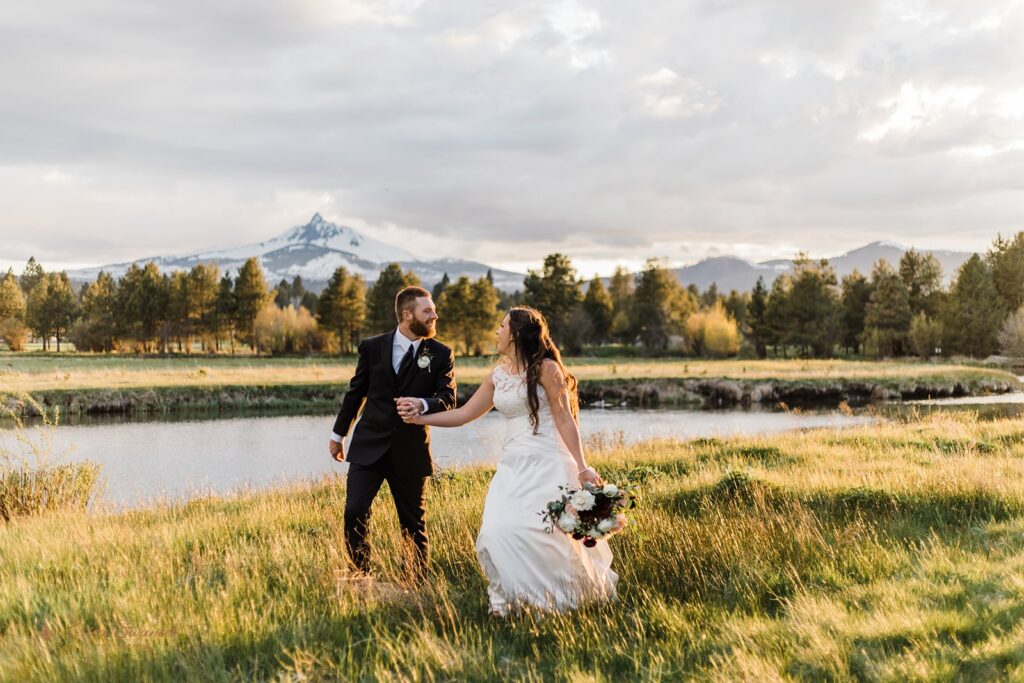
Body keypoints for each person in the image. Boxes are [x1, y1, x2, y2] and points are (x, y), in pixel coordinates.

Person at [398, 306, 617, 614]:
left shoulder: (547, 369)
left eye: (501, 327)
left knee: (544, 535)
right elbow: (464, 414)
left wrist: (583, 467)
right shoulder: (498, 375)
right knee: (495, 531)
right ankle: (512, 600)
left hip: (548, 462)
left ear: (515, 334)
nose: (497, 332)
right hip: (512, 466)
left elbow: (566, 420)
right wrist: (420, 418)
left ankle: (559, 601)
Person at [330, 286, 456, 579]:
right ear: (407, 314)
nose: (434, 314)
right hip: (368, 445)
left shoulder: (440, 354)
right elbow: (355, 393)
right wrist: (338, 435)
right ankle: (359, 576)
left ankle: (414, 583)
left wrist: (423, 403)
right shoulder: (372, 347)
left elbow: (448, 398)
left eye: (433, 309)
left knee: (413, 524)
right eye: (428, 310)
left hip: (410, 450)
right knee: (354, 512)